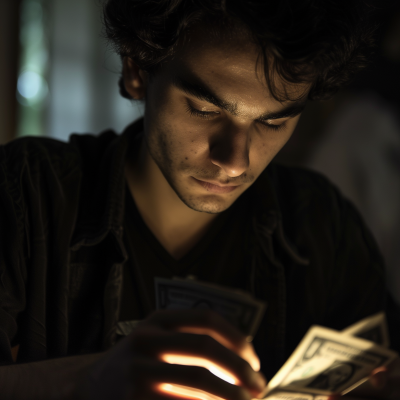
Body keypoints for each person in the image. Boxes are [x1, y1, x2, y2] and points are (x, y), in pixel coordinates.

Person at [0, 0, 398, 399]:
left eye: (273, 121)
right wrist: (85, 381)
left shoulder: (322, 225)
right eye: (205, 110)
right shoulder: (26, 193)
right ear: (137, 70)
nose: (235, 161)